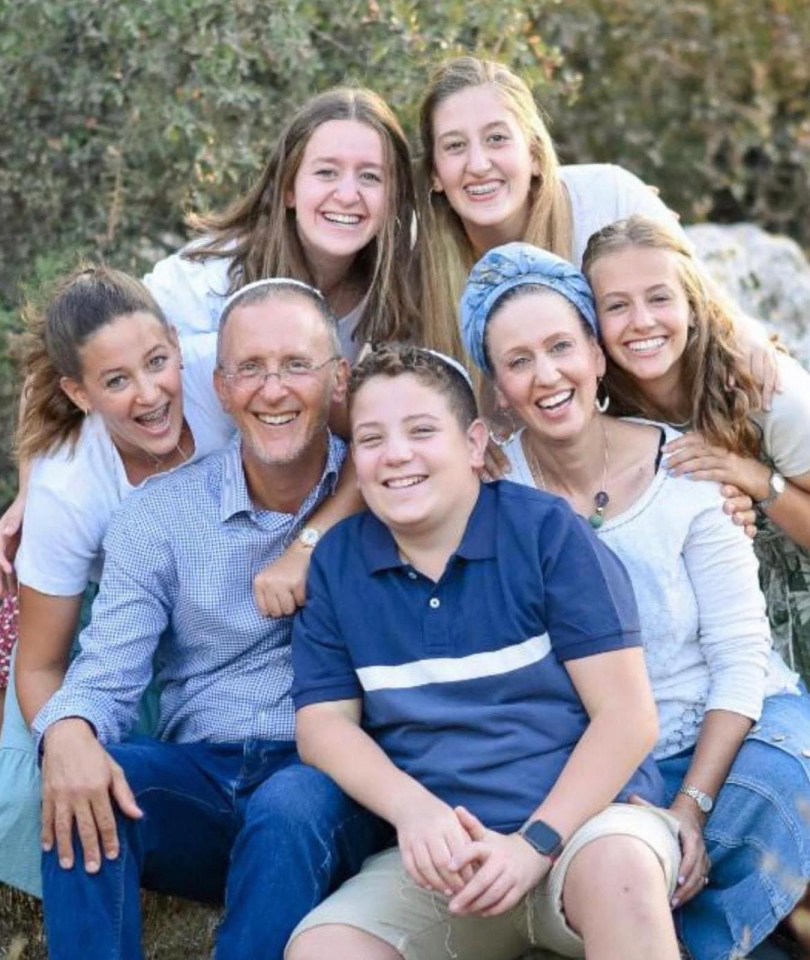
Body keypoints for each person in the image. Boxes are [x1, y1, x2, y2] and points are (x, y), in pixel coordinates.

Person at [459, 241, 810, 960]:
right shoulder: (493, 495)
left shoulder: (684, 471)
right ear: (495, 388)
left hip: (727, 727)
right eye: (518, 361)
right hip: (599, 747)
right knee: (621, 853)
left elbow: (741, 656)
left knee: (778, 787)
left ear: (596, 354)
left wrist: (691, 804)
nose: (547, 375)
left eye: (562, 347)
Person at [32, 278, 390, 960]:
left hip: (328, 786)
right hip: (203, 776)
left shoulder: (383, 495)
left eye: (296, 366)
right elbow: (105, 669)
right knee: (88, 786)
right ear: (221, 389)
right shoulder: (154, 517)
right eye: (251, 369)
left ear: (338, 379)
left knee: (289, 806)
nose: (273, 389)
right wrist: (69, 732)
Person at [287, 344, 683, 960]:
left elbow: (628, 718)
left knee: (622, 870)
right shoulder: (340, 565)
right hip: (449, 858)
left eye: (422, 431)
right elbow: (322, 728)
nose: (396, 455)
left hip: (584, 831)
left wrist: (536, 843)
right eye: (371, 439)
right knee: (323, 948)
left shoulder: (546, 534)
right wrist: (413, 811)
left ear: (475, 444)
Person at [0, 266, 233, 897]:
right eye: (116, 382)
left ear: (178, 347)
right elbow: (43, 663)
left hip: (236, 598)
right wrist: (66, 738)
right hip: (120, 628)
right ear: (80, 395)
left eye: (158, 362)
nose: (151, 394)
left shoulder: (223, 377)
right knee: (38, 792)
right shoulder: (68, 486)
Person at [415, 55, 779, 408]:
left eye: (497, 138)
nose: (478, 164)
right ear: (434, 173)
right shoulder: (419, 258)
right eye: (455, 146)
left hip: (665, 421)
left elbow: (711, 306)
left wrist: (745, 335)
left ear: (536, 154)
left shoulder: (609, 197)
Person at [581, 214, 810, 687]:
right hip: (700, 654)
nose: (641, 321)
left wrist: (757, 480)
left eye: (659, 298)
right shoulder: (604, 408)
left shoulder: (767, 394)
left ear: (691, 303)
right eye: (616, 306)